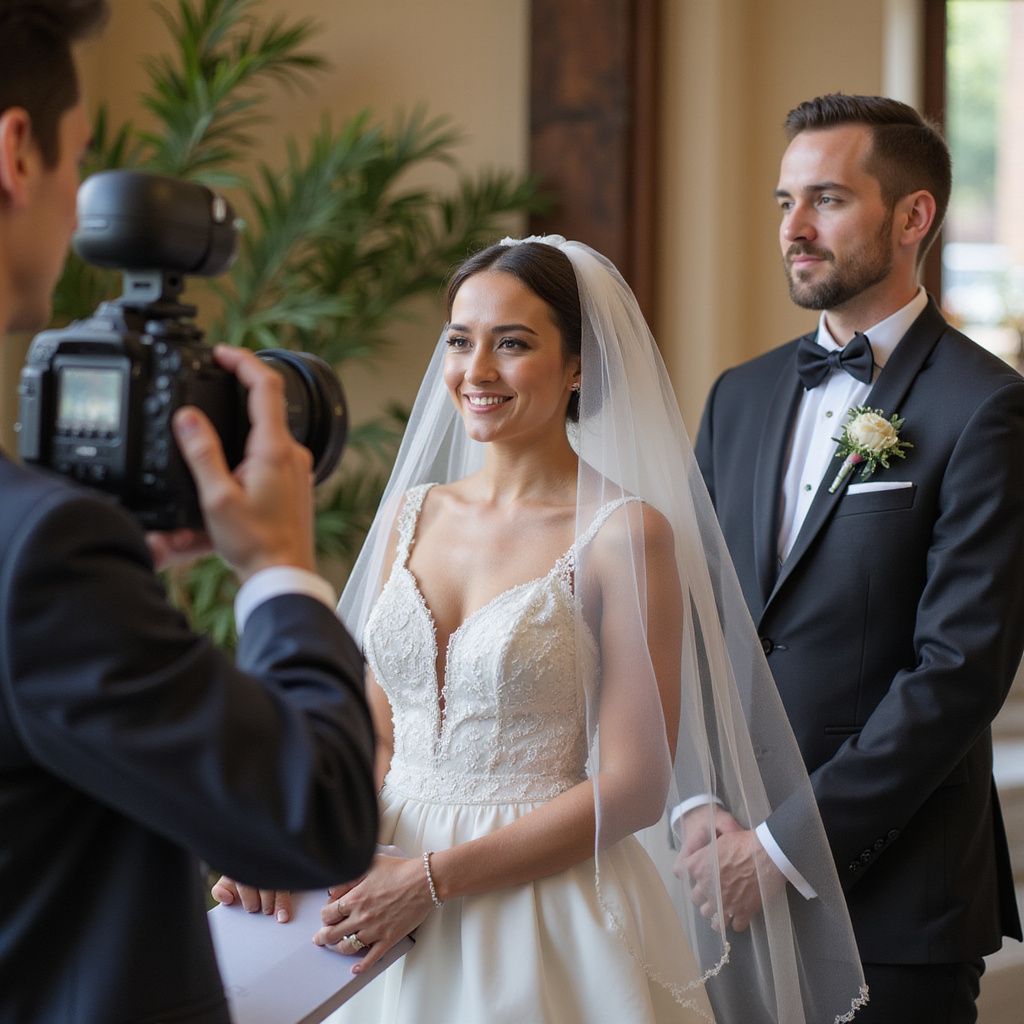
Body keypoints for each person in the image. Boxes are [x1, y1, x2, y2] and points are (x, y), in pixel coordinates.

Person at [223, 235, 869, 1022]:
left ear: (578, 367)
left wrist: (432, 878)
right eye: (461, 341)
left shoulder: (625, 533)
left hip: (539, 904)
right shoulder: (407, 514)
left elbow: (634, 787)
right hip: (378, 879)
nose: (477, 371)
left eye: (514, 344)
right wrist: (301, 846)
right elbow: (376, 736)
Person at [0, 3, 378, 1022]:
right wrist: (281, 569)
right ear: (16, 152)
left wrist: (113, 580)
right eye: (79, 159)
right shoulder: (40, 553)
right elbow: (318, 813)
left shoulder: (48, 552)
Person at [692, 92, 1024, 1024]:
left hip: (895, 903)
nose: (794, 228)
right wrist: (700, 814)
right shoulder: (739, 398)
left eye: (827, 200)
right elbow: (690, 618)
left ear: (913, 215)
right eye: (784, 201)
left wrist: (784, 849)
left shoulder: (985, 408)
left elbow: (958, 674)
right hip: (719, 888)